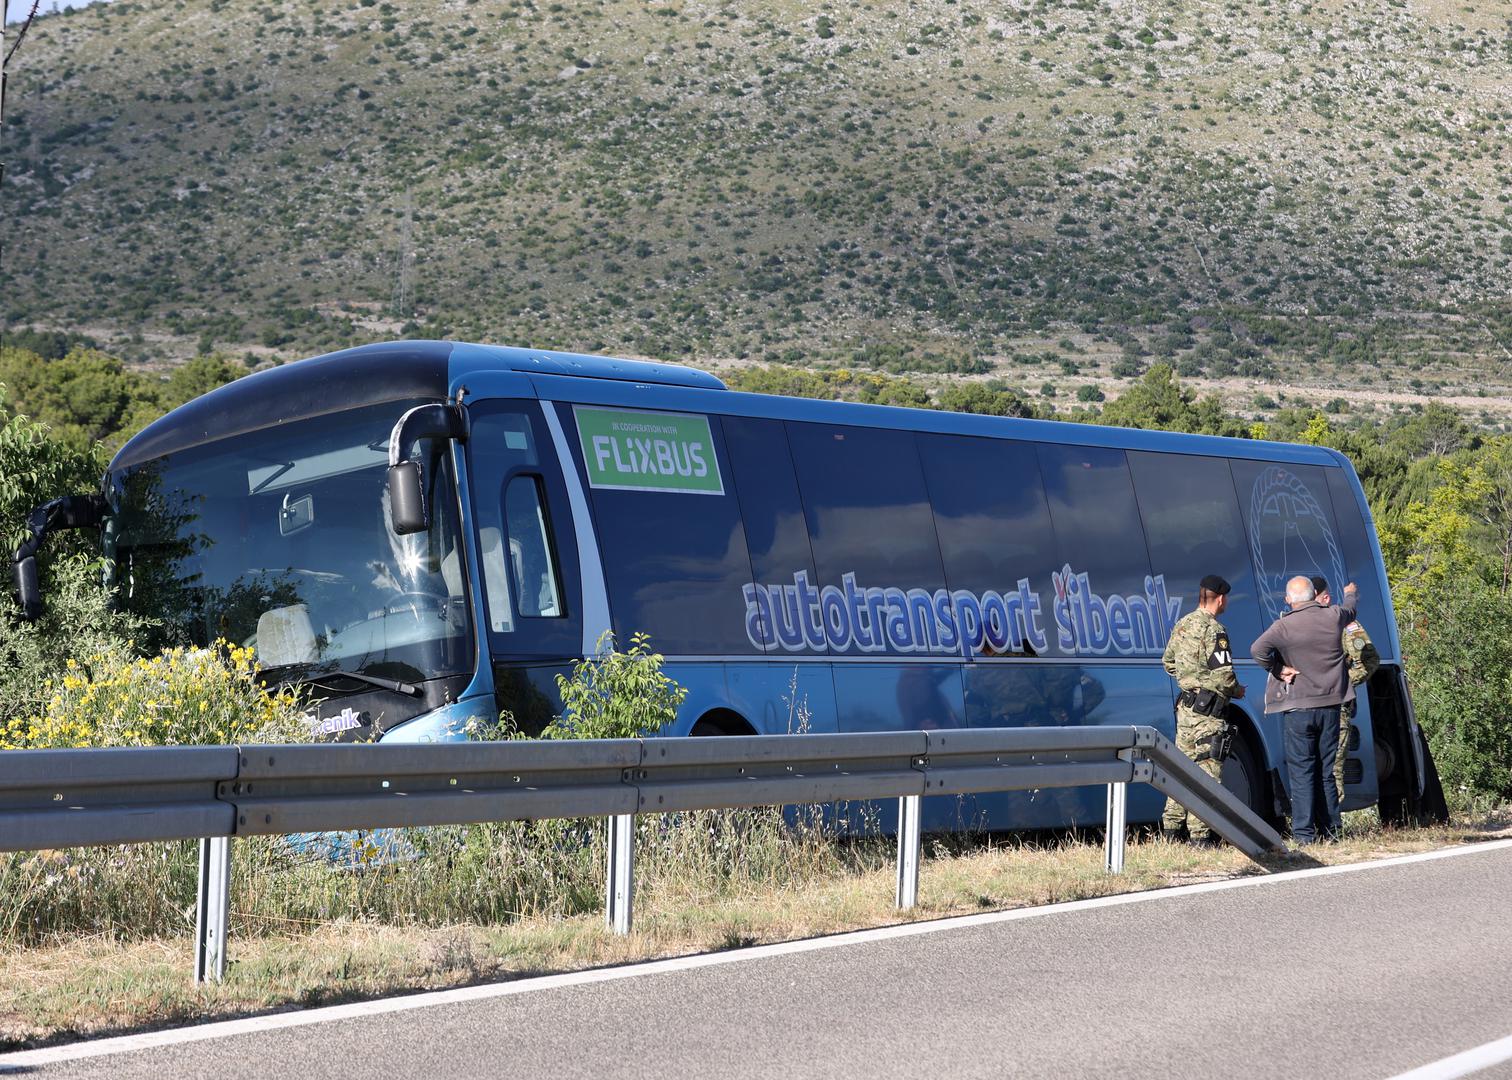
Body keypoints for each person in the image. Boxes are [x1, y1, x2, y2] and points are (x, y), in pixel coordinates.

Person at [1251, 576, 1359, 844]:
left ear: (1289, 600)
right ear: (1314, 596)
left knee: (1302, 772)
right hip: (1331, 707)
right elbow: (1351, 609)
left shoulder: (1283, 626)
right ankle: (1331, 832)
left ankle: (1304, 835)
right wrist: (1350, 593)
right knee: (1326, 771)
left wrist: (1278, 669)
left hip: (1299, 708)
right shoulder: (1334, 615)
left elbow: (1257, 650)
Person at [1161, 574, 1245, 845]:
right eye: (1226, 599)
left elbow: (1168, 662)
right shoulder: (1215, 630)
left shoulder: (1182, 624)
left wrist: (1190, 679)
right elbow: (1224, 675)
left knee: (1181, 771)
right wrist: (1237, 690)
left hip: (1186, 710)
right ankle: (1201, 837)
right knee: (1207, 772)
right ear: (1220, 599)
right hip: (1209, 713)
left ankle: (1171, 832)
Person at [1309, 576, 1380, 805]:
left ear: (1325, 598)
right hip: (1309, 709)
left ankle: (1331, 824)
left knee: (1332, 768)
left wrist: (1340, 682)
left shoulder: (1345, 625)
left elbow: (1369, 662)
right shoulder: (1301, 625)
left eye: (1313, 599)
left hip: (1337, 707)